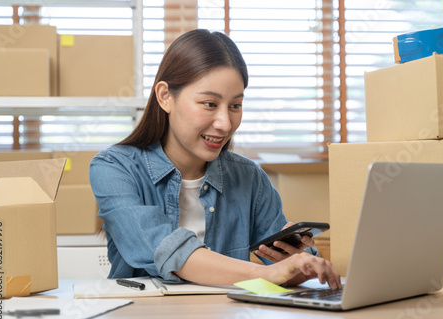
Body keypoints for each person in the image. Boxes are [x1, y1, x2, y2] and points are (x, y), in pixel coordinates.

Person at [89, 29, 341, 289]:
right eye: (209, 104)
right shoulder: (114, 168)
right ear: (165, 96)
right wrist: (267, 274)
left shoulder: (249, 177)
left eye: (235, 106)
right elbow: (165, 250)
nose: (224, 123)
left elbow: (282, 272)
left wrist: (298, 265)